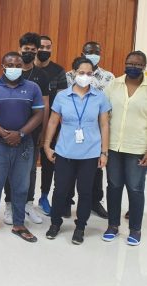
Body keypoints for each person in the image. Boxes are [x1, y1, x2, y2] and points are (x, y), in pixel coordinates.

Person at [45, 57, 111, 245]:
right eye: (81, 73)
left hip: (90, 154)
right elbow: (52, 121)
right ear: (73, 73)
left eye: (89, 74)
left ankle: (80, 227)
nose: (85, 76)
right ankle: (55, 223)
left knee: (85, 192)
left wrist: (104, 152)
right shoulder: (62, 96)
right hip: (65, 151)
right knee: (60, 191)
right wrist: (47, 145)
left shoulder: (99, 96)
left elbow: (104, 125)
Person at [0, 52, 44, 243]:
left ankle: (19, 224)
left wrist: (21, 134)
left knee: (21, 186)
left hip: (24, 144)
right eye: (10, 64)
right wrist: (4, 134)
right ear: (2, 66)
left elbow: (39, 114)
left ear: (22, 66)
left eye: (18, 64)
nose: (14, 67)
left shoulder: (33, 88)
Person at [3, 32, 50, 225]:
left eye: (33, 49)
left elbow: (45, 106)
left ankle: (28, 204)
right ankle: (9, 205)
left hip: (33, 131)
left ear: (37, 51)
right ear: (20, 50)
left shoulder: (42, 76)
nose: (29, 52)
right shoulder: (11, 71)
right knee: (8, 168)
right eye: (26, 49)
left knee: (30, 169)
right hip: (10, 129)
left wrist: (44, 132)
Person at [65, 41, 115, 219]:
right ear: (82, 53)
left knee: (95, 169)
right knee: (70, 166)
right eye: (89, 52)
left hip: (96, 129)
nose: (93, 54)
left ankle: (95, 201)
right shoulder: (70, 75)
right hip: (73, 130)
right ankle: (67, 201)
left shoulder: (109, 77)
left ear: (100, 54)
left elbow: (110, 104)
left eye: (96, 52)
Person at [102, 51, 147, 246]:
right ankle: (113, 225)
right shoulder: (114, 84)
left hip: (138, 147)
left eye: (138, 64)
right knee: (113, 187)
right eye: (130, 63)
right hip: (113, 147)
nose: (133, 67)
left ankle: (135, 229)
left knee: (136, 189)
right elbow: (103, 114)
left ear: (144, 67)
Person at [34, 35, 68, 215]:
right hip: (29, 125)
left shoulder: (58, 71)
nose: (44, 50)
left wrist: (51, 128)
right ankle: (25, 199)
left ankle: (44, 196)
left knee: (49, 162)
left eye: (48, 47)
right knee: (28, 165)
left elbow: (62, 100)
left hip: (52, 125)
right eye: (41, 47)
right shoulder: (27, 69)